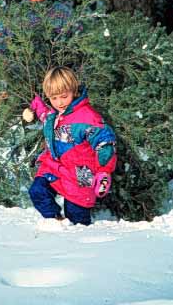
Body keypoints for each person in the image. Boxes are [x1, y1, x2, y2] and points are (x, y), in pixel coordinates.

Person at [23, 66, 117, 226]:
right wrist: (35, 106)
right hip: (55, 168)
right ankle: (55, 222)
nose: (59, 103)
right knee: (38, 191)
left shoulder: (87, 117)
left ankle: (78, 240)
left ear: (73, 91)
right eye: (54, 98)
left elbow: (105, 142)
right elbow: (44, 114)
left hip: (80, 175)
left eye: (64, 96)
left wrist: (103, 172)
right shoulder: (55, 115)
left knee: (77, 219)